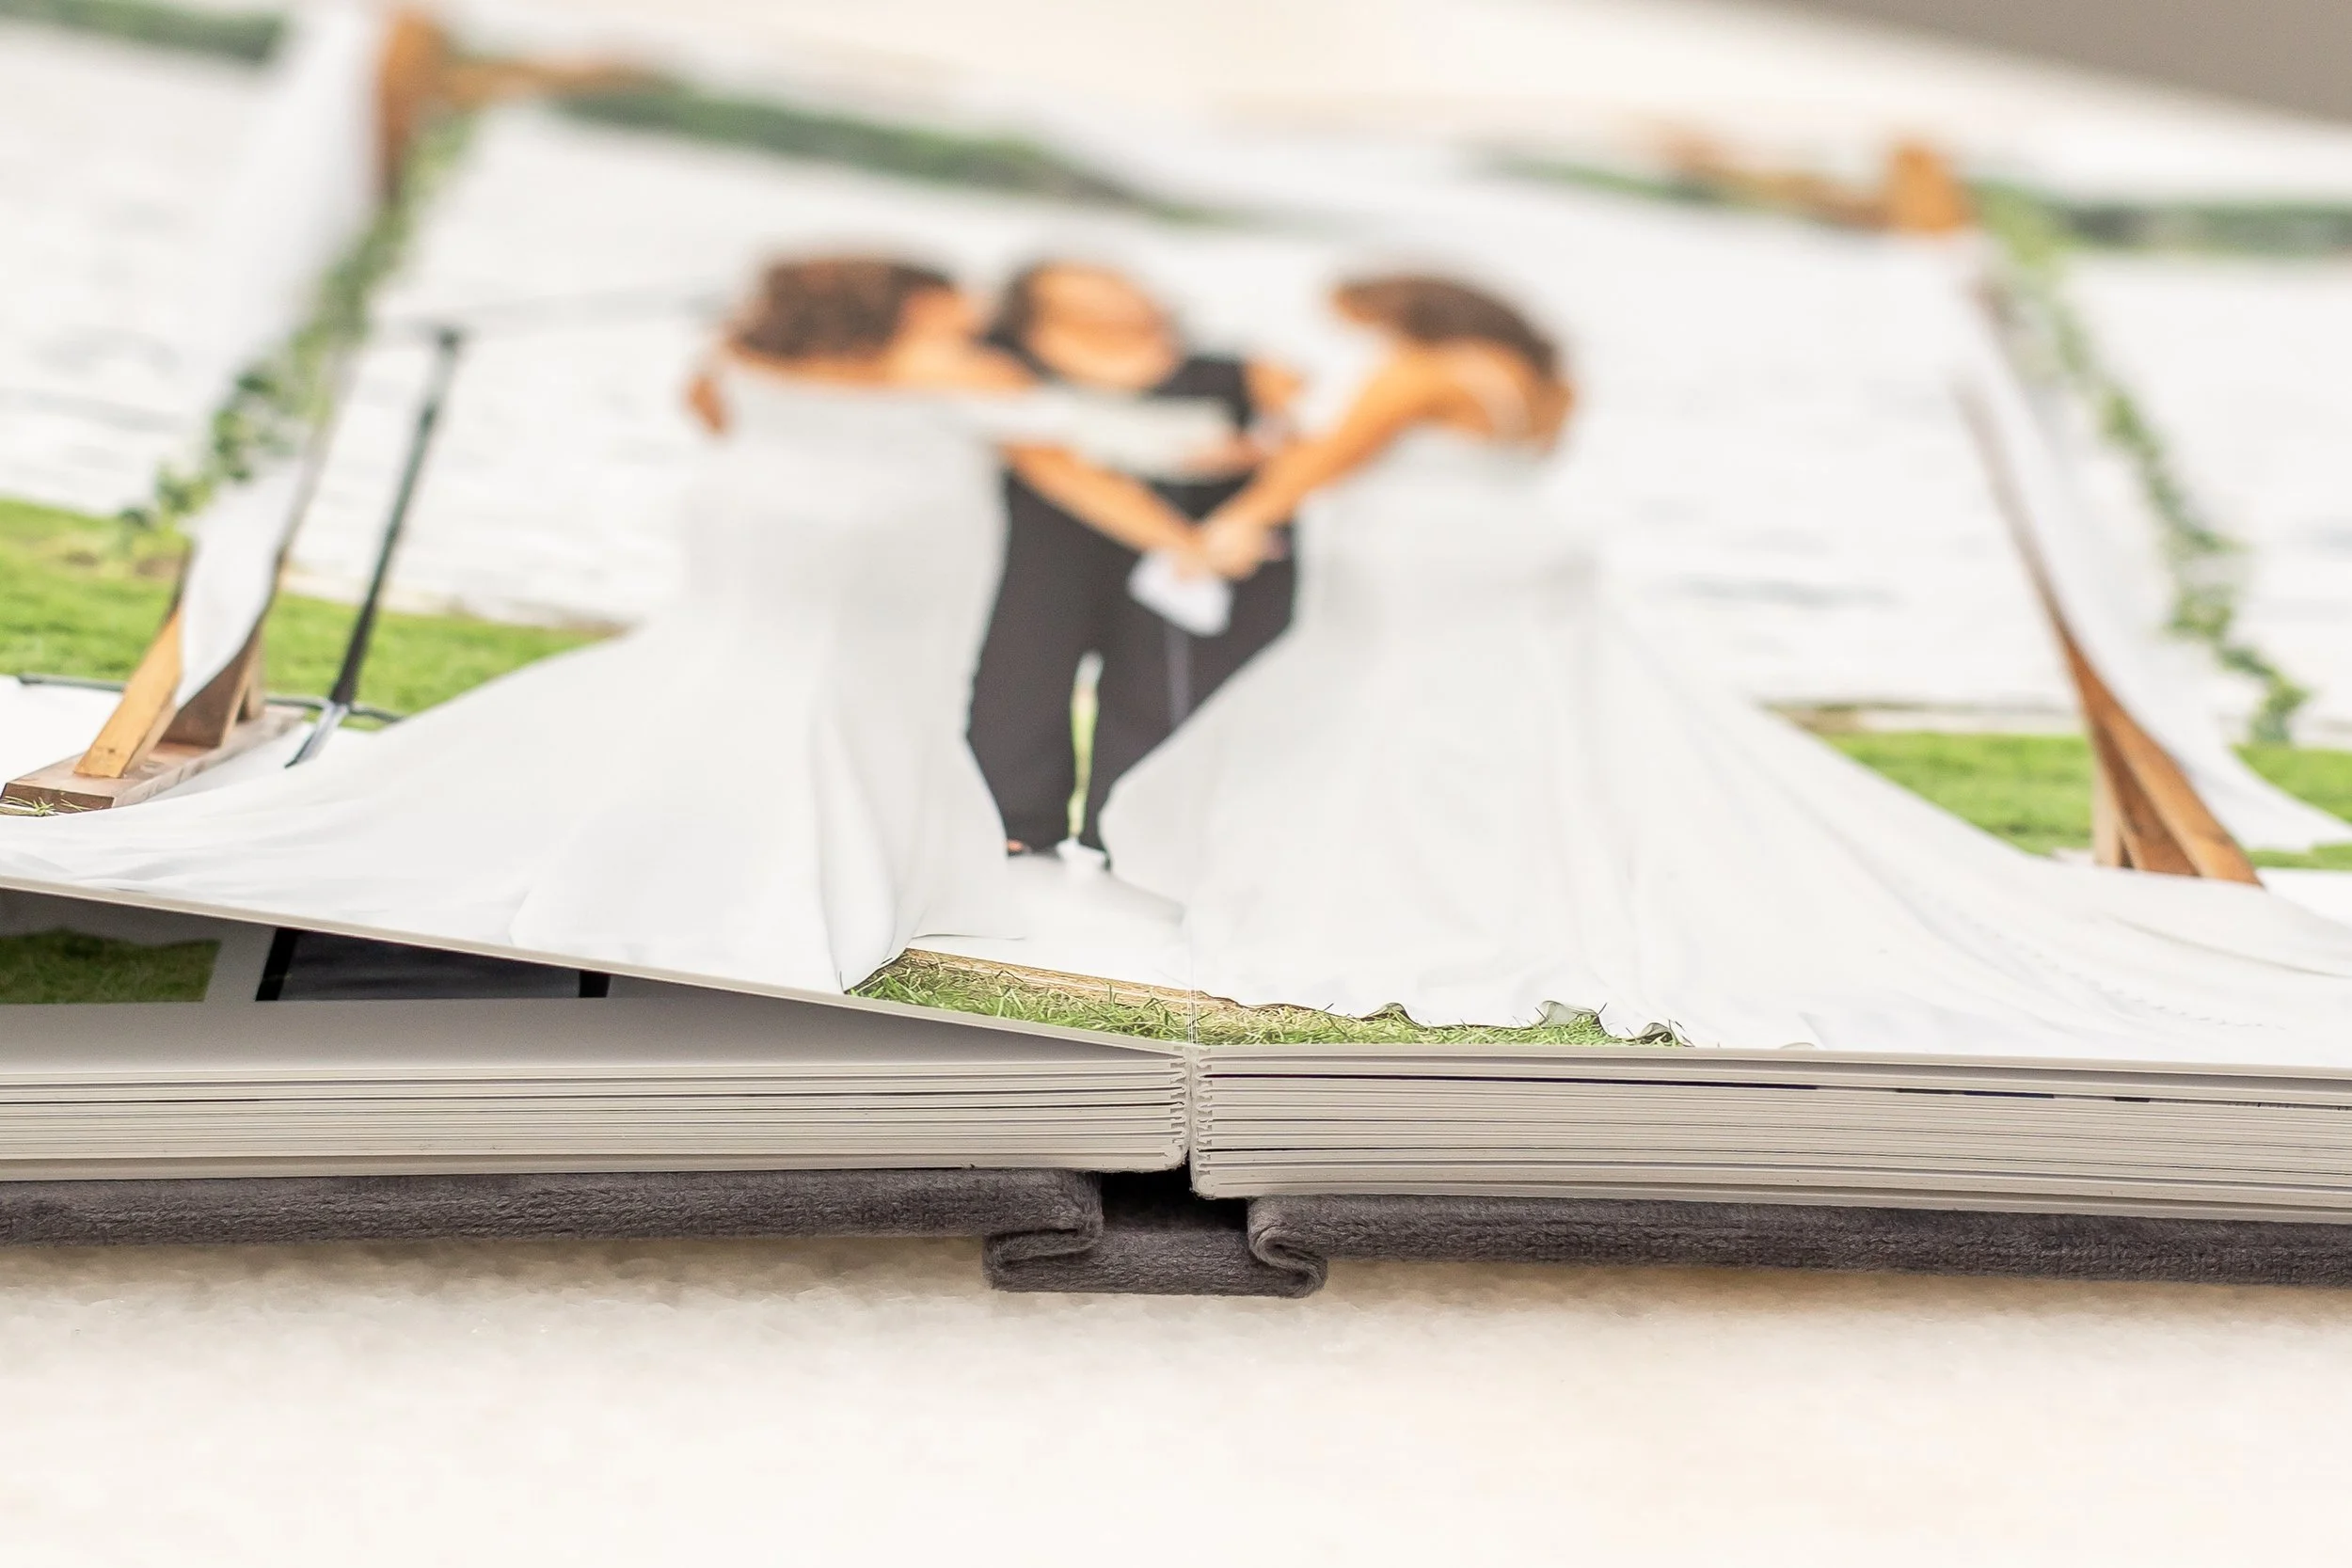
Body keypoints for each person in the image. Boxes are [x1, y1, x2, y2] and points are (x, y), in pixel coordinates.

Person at [1098, 273, 2352, 1056]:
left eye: (1363, 318)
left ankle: (1406, 884)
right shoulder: (1537, 378)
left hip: (1429, 562)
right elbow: (1517, 467)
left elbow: (1330, 461)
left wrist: (1230, 521)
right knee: (1517, 720)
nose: (1353, 335)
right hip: (1519, 553)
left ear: (1411, 315)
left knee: (1404, 715)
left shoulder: (1421, 369)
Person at [0, 256, 1090, 993]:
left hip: (762, 526)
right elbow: (1038, 423)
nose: (964, 314)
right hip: (840, 550)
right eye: (942, 301)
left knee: (717, 676)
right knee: (794, 686)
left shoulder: (757, 357)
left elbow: (707, 412)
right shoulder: (950, 366)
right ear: (892, 308)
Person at [964, 260, 1302, 854]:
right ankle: (1008, 819)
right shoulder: (1000, 364)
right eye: (1086, 282)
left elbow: (1319, 441)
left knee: (1168, 690)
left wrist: (1251, 487)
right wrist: (1183, 540)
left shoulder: (1240, 369)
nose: (1113, 290)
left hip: (1208, 556)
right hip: (1047, 540)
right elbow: (1044, 459)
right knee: (1017, 677)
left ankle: (1137, 837)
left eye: (1120, 279)